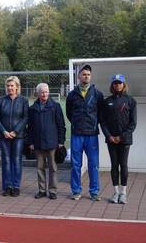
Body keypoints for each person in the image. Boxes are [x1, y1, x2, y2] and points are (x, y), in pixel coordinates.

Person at [66, 64, 104, 201]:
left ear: (91, 76)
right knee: (76, 164)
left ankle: (94, 192)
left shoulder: (97, 94)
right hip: (77, 134)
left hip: (92, 134)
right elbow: (69, 113)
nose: (86, 76)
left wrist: (93, 124)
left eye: (88, 74)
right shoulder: (72, 95)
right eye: (83, 74)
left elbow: (101, 113)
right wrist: (77, 123)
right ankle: (76, 191)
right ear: (78, 76)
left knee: (93, 164)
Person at [101, 74, 137, 204]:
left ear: (124, 84)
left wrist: (121, 136)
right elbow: (103, 122)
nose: (117, 85)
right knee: (114, 165)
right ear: (112, 85)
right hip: (111, 140)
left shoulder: (130, 101)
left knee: (124, 165)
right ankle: (115, 192)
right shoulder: (107, 101)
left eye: (120, 83)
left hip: (125, 140)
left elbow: (133, 123)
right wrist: (109, 136)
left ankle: (123, 193)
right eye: (115, 83)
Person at [28, 83, 66, 200]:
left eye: (46, 92)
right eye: (42, 92)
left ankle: (53, 191)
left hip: (52, 143)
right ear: (38, 93)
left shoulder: (55, 106)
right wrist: (31, 142)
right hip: (38, 143)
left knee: (52, 168)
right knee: (40, 168)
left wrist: (61, 141)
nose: (44, 94)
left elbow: (61, 125)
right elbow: (30, 127)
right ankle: (42, 190)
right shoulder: (32, 109)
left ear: (49, 92)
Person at [0, 76, 29, 197]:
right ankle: (7, 186)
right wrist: (4, 131)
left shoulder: (23, 100)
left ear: (17, 87)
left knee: (16, 160)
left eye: (12, 86)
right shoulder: (1, 101)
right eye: (8, 86)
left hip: (18, 136)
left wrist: (15, 131)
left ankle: (16, 186)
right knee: (6, 160)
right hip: (4, 136)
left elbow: (25, 117)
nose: (10, 88)